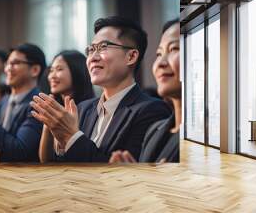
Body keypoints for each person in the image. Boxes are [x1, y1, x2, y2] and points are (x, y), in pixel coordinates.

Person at [31, 16, 171, 162]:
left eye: (103, 47)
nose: (93, 58)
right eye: (91, 50)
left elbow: (121, 176)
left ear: (131, 56)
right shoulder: (83, 109)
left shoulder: (152, 111)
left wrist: (71, 136)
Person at [109, 19, 180, 163]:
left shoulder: (209, 137)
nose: (160, 63)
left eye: (174, 49)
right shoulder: (154, 131)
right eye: (159, 54)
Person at [38, 50, 95, 163]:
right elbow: (45, 161)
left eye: (59, 69)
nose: (52, 76)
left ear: (77, 71)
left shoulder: (90, 110)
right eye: (51, 70)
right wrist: (47, 125)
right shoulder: (56, 107)